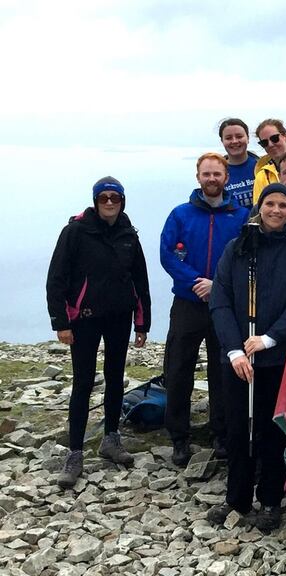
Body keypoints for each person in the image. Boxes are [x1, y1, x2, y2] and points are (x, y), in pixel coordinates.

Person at [206, 184, 286, 533]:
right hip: (239, 360)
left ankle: (270, 500)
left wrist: (270, 338)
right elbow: (220, 300)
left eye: (283, 205)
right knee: (238, 430)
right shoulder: (238, 248)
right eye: (270, 203)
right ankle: (236, 498)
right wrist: (234, 349)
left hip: (276, 358)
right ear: (260, 207)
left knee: (272, 432)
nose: (277, 210)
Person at [47, 177, 151, 488]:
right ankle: (75, 452)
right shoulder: (75, 232)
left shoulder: (129, 235)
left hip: (119, 318)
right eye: (103, 197)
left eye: (115, 198)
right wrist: (61, 323)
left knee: (116, 377)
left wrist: (141, 323)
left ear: (122, 201)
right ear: (95, 201)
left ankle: (111, 439)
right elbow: (56, 279)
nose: (109, 202)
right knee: (82, 383)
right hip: (84, 321)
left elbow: (140, 281)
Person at [160, 153, 248, 466]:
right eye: (206, 174)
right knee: (179, 368)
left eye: (217, 174)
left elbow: (244, 258)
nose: (212, 179)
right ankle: (179, 438)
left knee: (222, 370)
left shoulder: (240, 215)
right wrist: (197, 281)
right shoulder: (181, 214)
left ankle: (221, 433)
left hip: (224, 303)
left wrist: (217, 286)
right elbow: (168, 254)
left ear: (226, 177)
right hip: (187, 302)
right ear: (198, 177)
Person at [220, 118, 260, 208]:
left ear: (248, 138)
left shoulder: (262, 167)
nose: (234, 141)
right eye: (228, 138)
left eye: (239, 136)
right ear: (222, 141)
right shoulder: (217, 173)